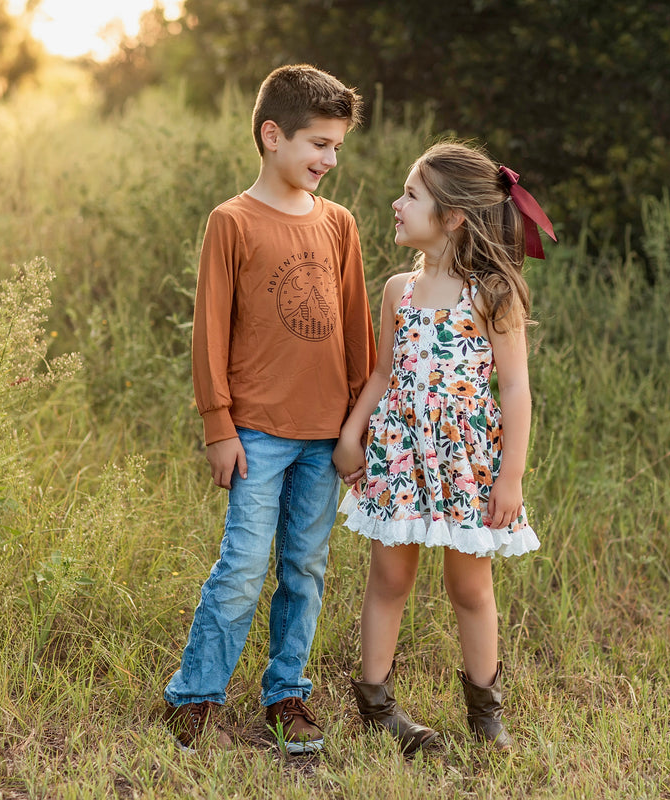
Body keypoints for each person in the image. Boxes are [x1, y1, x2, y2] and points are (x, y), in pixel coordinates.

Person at [161, 64, 376, 755]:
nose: (329, 160)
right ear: (272, 135)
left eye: (337, 146)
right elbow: (210, 330)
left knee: (305, 570)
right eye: (318, 144)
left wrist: (356, 430)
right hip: (255, 434)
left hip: (324, 438)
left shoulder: (340, 226)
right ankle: (193, 697)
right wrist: (218, 426)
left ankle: (287, 694)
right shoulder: (232, 222)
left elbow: (355, 332)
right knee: (244, 566)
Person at [333, 141, 554, 753]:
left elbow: (514, 389)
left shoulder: (490, 295)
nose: (396, 204)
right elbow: (382, 375)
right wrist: (353, 433)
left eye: (410, 194)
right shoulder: (397, 290)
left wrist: (510, 477)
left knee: (471, 587)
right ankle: (375, 705)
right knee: (388, 578)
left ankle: (486, 713)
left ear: (453, 217)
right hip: (400, 457)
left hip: (466, 464)